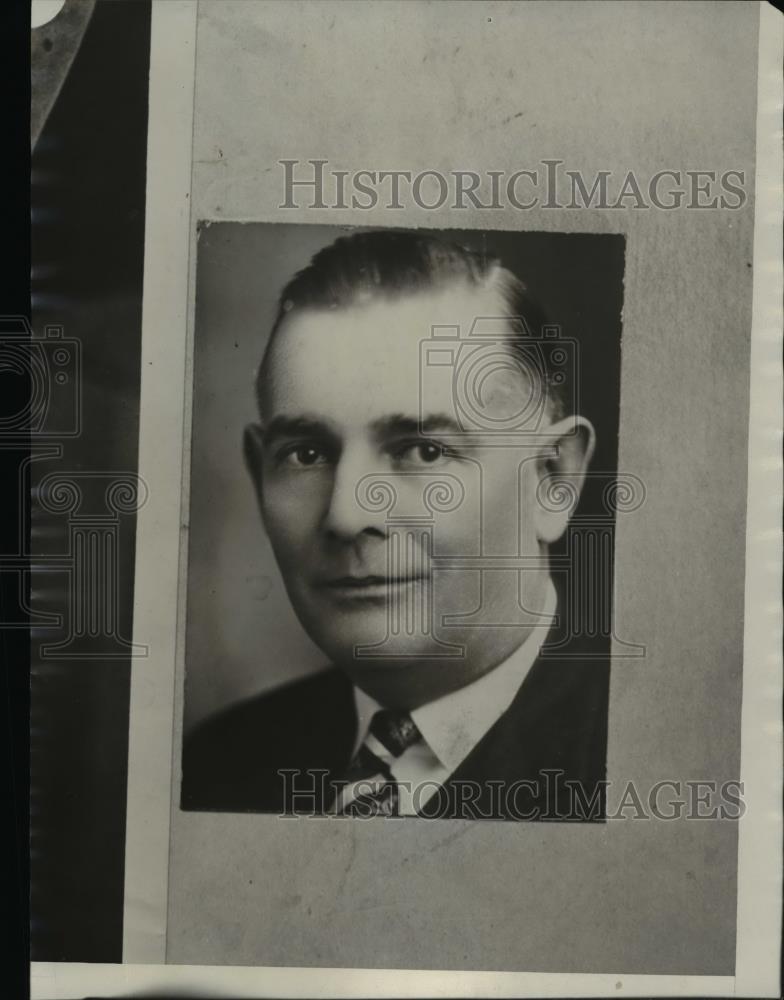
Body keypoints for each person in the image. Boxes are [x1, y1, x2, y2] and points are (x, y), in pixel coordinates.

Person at [181, 229, 610, 821]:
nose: (347, 513)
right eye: (306, 455)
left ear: (553, 478)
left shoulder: (652, 760)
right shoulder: (218, 764)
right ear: (259, 476)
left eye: (423, 451)